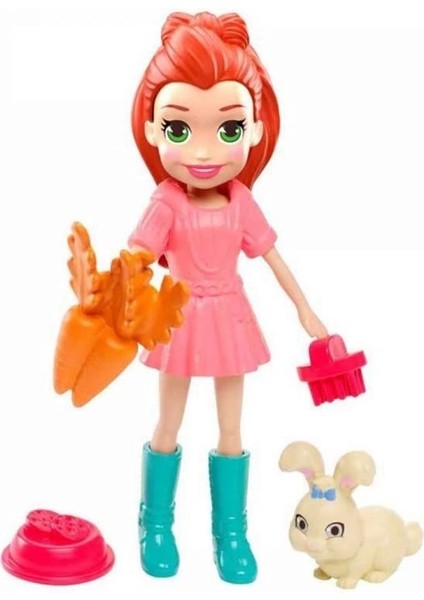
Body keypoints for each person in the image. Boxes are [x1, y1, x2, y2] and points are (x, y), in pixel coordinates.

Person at [129, 11, 328, 584]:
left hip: (229, 317)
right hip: (176, 316)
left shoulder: (240, 201)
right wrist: (115, 294)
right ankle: (156, 524)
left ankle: (231, 532)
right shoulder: (166, 202)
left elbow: (271, 257)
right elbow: (137, 259)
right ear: (153, 129)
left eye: (229, 128)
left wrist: (304, 309)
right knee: (168, 422)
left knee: (232, 429)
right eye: (179, 129)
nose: (202, 151)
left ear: (255, 129)